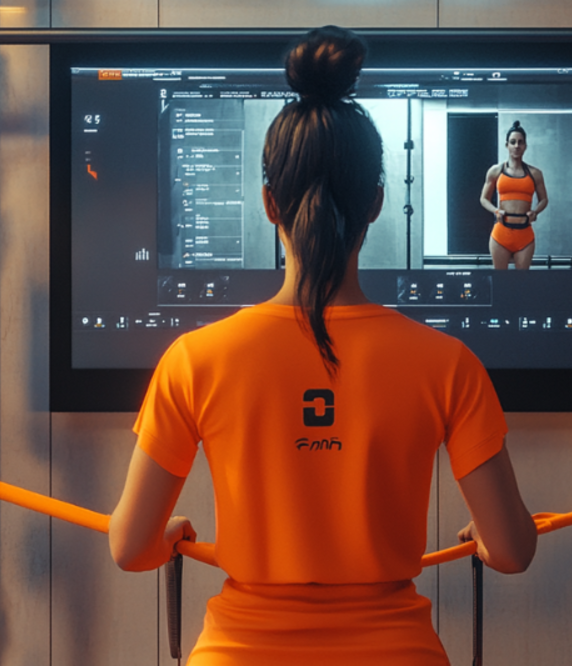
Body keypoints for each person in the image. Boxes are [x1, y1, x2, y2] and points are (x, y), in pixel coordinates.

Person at [109, 26, 537, 666]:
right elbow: (511, 552)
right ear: (377, 203)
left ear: (269, 204)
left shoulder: (194, 360)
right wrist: (488, 535)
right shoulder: (447, 364)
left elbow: (130, 548)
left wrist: (162, 535)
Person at [479, 121, 549, 270]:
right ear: (507, 145)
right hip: (501, 235)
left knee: (521, 281)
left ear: (525, 146)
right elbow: (483, 199)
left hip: (525, 236)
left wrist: (535, 212)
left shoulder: (535, 173)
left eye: (520, 142)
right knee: (501, 280)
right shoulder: (495, 171)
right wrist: (496, 211)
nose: (517, 146)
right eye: (513, 142)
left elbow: (544, 199)